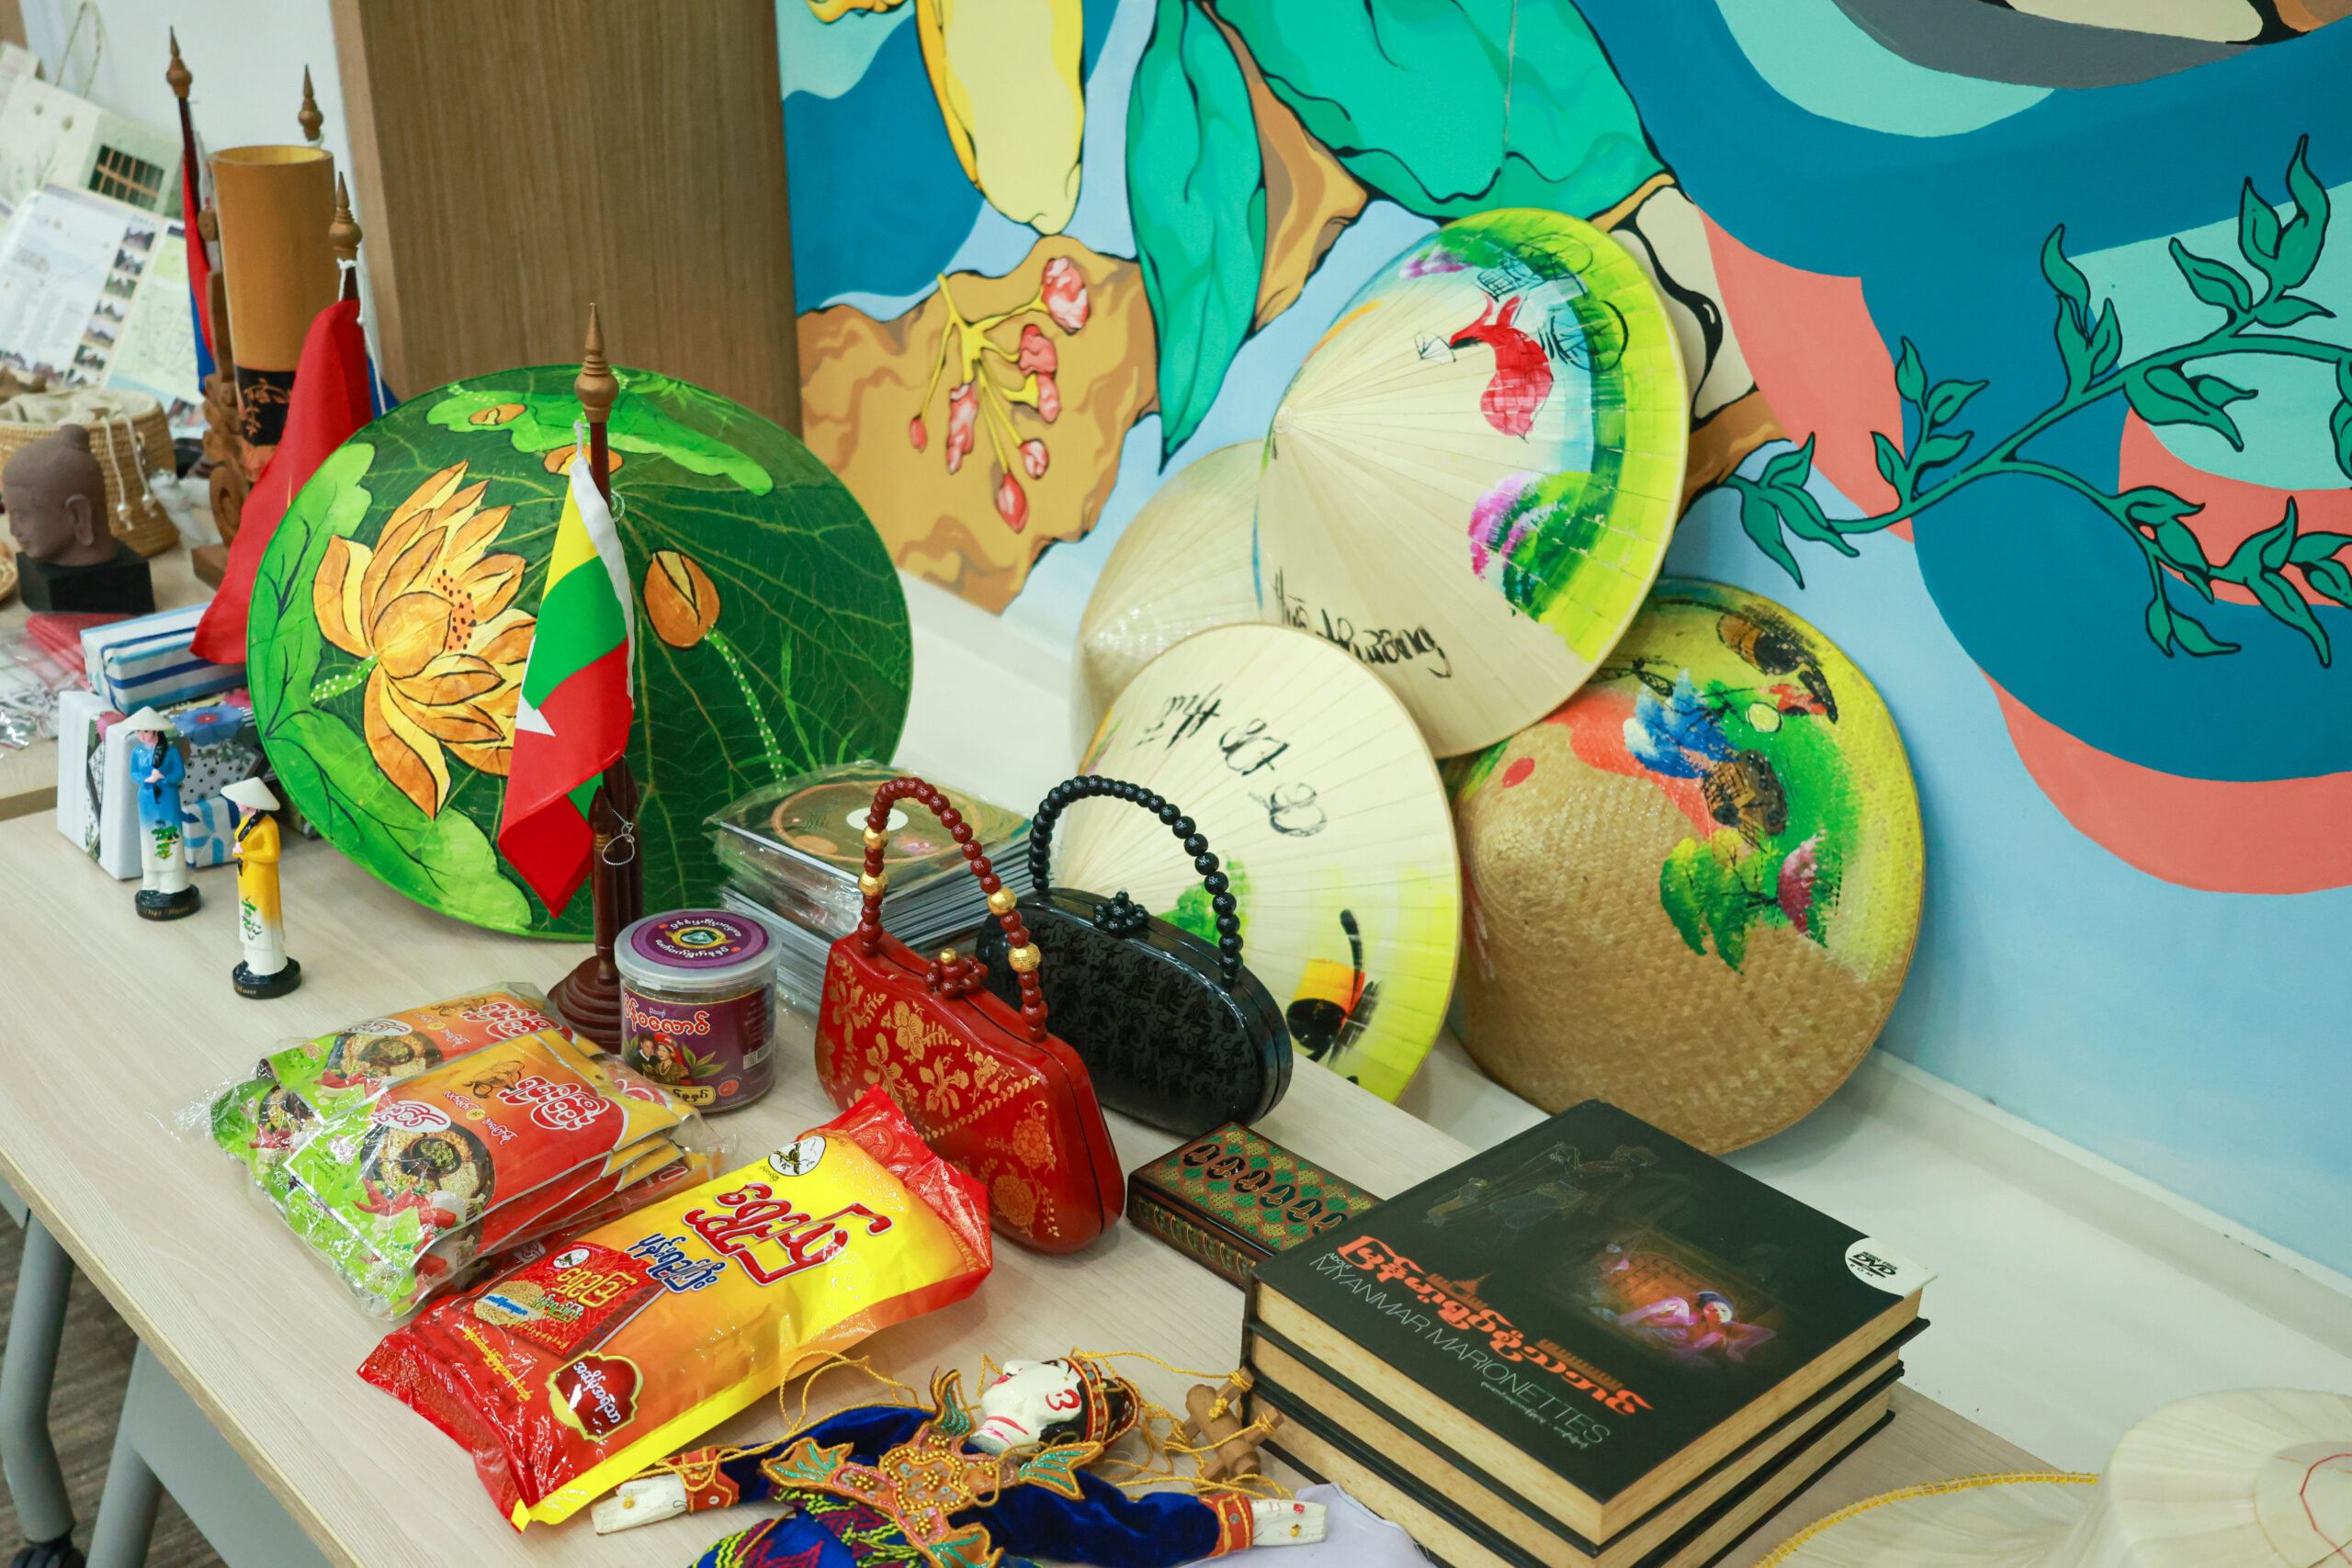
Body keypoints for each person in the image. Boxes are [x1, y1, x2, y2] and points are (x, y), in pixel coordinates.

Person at [594, 1353, 1328, 1566]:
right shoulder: (903, 1423)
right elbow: (786, 1456)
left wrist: (1250, 1520)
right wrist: (684, 1489)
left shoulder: (1037, 1489)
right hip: (781, 1547)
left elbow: (1132, 1532)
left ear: (1061, 1405)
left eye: (1039, 1369)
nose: (1009, 1366)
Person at [223, 777, 300, 997]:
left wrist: (247, 854)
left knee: (261, 914)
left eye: (240, 800)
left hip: (261, 877)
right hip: (247, 875)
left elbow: (272, 854)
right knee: (248, 913)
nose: (236, 803)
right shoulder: (248, 821)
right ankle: (252, 955)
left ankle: (267, 962)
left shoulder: (268, 826)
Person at [127, 707, 199, 919]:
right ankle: (152, 882)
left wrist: (164, 778)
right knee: (149, 839)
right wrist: (145, 779)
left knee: (169, 836)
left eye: (145, 731)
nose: (142, 735)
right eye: (139, 731)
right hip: (147, 798)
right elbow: (134, 772)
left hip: (167, 798)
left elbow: (179, 773)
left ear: (155, 731)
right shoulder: (138, 752)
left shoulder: (171, 752)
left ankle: (173, 883)